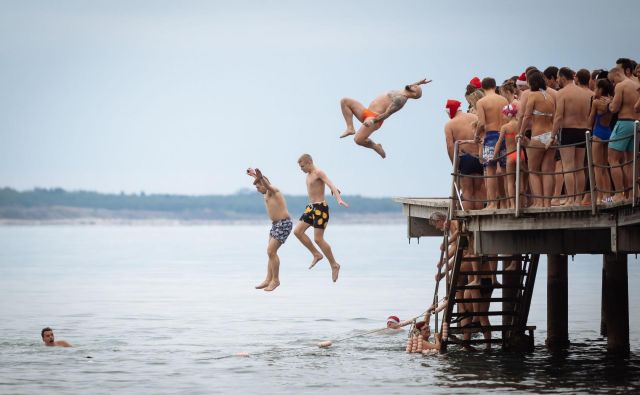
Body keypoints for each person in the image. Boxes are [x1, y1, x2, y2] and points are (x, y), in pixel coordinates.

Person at [339, 78, 432, 158]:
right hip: (366, 111)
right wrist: (419, 83)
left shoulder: (400, 100)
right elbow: (410, 86)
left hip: (374, 118)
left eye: (415, 87)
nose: (413, 85)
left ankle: (375, 146)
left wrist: (372, 121)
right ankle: (350, 128)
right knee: (345, 101)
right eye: (414, 85)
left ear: (414, 93)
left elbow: (386, 114)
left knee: (358, 140)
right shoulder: (403, 90)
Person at [294, 154, 348, 282]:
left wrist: (338, 198)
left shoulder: (318, 172)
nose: (301, 169)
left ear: (309, 162)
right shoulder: (308, 176)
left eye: (302, 166)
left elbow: (330, 184)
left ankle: (334, 264)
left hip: (320, 208)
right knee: (297, 232)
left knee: (318, 239)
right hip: (310, 207)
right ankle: (316, 254)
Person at [552, 67, 593, 207]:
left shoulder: (562, 93)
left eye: (558, 78)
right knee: (580, 167)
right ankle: (578, 200)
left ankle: (570, 199)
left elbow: (558, 117)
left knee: (568, 167)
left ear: (563, 77)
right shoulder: (586, 94)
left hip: (567, 130)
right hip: (583, 130)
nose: (557, 80)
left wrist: (552, 135)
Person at [246, 168, 292, 291]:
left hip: (283, 224)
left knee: (271, 251)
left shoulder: (273, 190)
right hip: (275, 225)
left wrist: (260, 178)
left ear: (264, 184)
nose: (257, 190)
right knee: (270, 253)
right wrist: (255, 176)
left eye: (258, 187)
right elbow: (263, 182)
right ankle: (268, 279)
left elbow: (266, 183)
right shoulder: (266, 192)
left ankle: (275, 280)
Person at [519, 71, 557, 208]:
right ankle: (547, 202)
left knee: (533, 170)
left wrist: (520, 133)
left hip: (538, 136)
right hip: (551, 135)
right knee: (547, 171)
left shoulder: (533, 96)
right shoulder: (550, 97)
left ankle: (539, 202)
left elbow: (526, 116)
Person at [474, 77, 509, 210]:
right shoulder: (504, 100)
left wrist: (476, 135)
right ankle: (508, 203)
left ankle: (493, 203)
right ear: (495, 86)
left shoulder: (481, 102)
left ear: (482, 88)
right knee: (505, 171)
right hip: (504, 135)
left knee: (490, 171)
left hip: (491, 137)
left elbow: (482, 123)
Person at [607, 67, 640, 203]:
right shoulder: (637, 85)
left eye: (612, 80)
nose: (613, 84)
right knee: (630, 161)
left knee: (612, 159)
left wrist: (609, 103)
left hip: (624, 122)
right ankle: (633, 193)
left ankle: (619, 194)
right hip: (637, 124)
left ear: (617, 74)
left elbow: (614, 108)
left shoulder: (621, 86)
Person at [444, 99, 485, 210]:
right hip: (479, 157)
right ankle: (478, 217)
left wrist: (455, 163)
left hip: (465, 158)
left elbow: (450, 146)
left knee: (467, 191)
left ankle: (468, 218)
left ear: (450, 111)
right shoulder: (475, 118)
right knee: (478, 191)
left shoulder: (449, 124)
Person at [587, 79, 615, 204]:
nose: (594, 90)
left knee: (597, 167)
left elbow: (591, 120)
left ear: (600, 89)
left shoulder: (596, 102)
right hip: (608, 132)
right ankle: (608, 197)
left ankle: (599, 197)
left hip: (598, 133)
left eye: (596, 88)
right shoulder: (611, 100)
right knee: (605, 167)